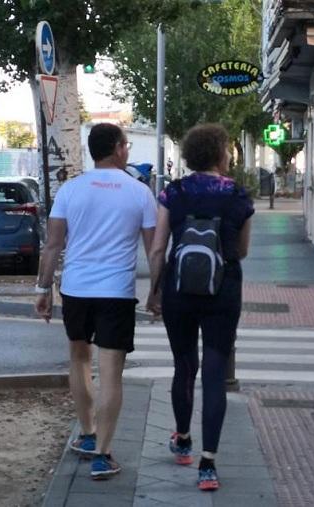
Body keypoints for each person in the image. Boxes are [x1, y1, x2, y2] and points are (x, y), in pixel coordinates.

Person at [35, 123, 157, 480]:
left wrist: (42, 290)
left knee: (78, 359)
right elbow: (154, 250)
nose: (128, 150)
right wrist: (157, 292)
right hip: (116, 293)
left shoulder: (70, 190)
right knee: (110, 372)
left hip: (76, 289)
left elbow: (53, 245)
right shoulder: (139, 193)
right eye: (127, 145)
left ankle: (87, 434)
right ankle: (103, 455)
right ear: (119, 148)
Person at [146, 123, 254, 491]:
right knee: (214, 371)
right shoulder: (238, 195)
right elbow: (242, 250)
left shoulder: (173, 192)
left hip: (179, 288)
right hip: (223, 291)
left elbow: (159, 247)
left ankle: (182, 440)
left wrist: (154, 290)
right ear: (221, 154)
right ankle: (208, 464)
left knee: (184, 365)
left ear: (191, 155)